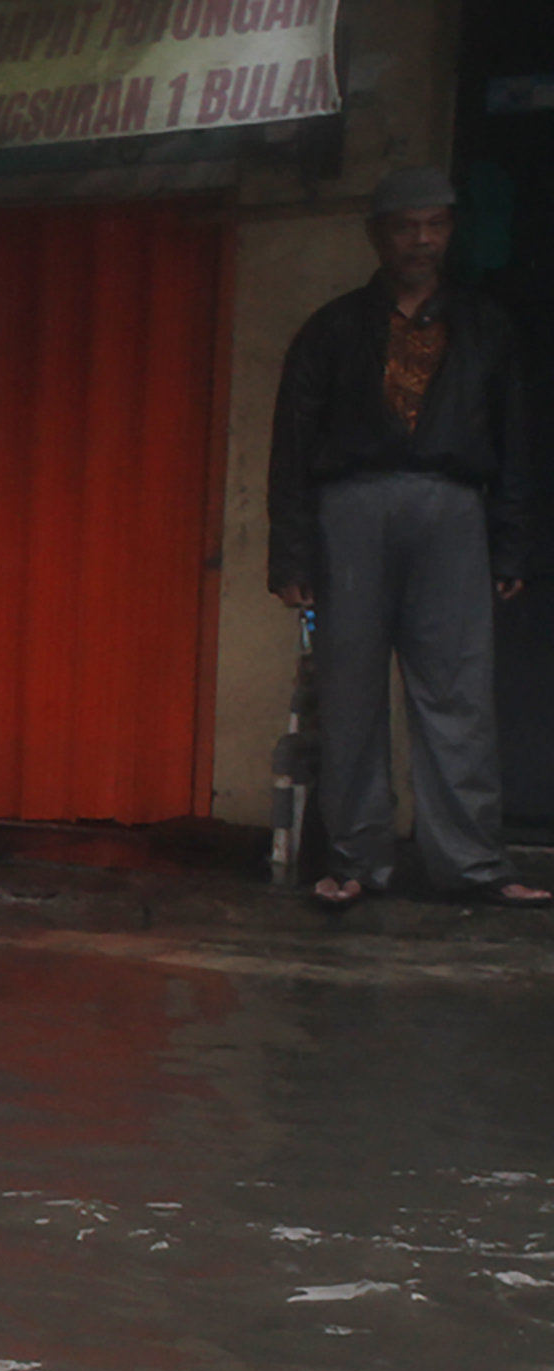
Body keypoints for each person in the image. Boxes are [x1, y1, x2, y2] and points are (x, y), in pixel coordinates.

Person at [268, 167, 545, 911]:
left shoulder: (485, 326)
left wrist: (512, 542)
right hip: (348, 514)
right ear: (377, 235)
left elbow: (514, 441)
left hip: (454, 511)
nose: (422, 239)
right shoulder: (332, 328)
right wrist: (291, 553)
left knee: (459, 693)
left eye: (436, 224)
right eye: (406, 225)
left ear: (451, 231)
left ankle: (474, 866)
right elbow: (292, 444)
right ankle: (359, 860)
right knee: (350, 690)